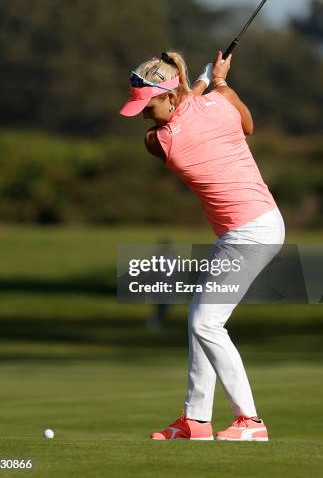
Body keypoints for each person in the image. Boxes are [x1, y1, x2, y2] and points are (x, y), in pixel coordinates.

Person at [119, 50, 285, 441]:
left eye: (149, 104)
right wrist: (219, 82)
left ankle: (250, 422)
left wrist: (201, 82)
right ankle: (195, 420)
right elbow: (246, 123)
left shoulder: (160, 141)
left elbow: (186, 109)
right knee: (201, 319)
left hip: (250, 232)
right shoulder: (218, 105)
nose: (144, 114)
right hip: (252, 225)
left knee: (206, 322)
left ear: (170, 95)